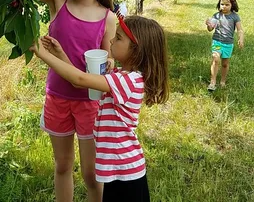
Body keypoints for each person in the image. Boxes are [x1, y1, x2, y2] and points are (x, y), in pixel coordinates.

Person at [6, 0, 116, 202]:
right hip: (58, 97)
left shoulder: (107, 18)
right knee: (63, 165)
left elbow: (108, 56)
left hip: (90, 103)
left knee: (91, 175)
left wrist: (110, 61)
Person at [30, 15, 169, 202]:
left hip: (125, 172)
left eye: (118, 38)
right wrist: (60, 54)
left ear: (136, 50)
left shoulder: (128, 81)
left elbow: (78, 79)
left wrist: (42, 54)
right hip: (116, 170)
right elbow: (82, 82)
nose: (111, 40)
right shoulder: (120, 76)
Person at [205, 0, 244, 91]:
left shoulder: (235, 17)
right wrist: (209, 25)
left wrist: (241, 38)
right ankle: (212, 82)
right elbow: (210, 29)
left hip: (228, 44)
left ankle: (222, 81)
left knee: (225, 63)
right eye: (222, 4)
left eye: (227, 5)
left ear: (232, 5)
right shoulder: (216, 15)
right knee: (215, 58)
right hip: (217, 42)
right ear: (219, 4)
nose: (224, 7)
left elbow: (240, 29)